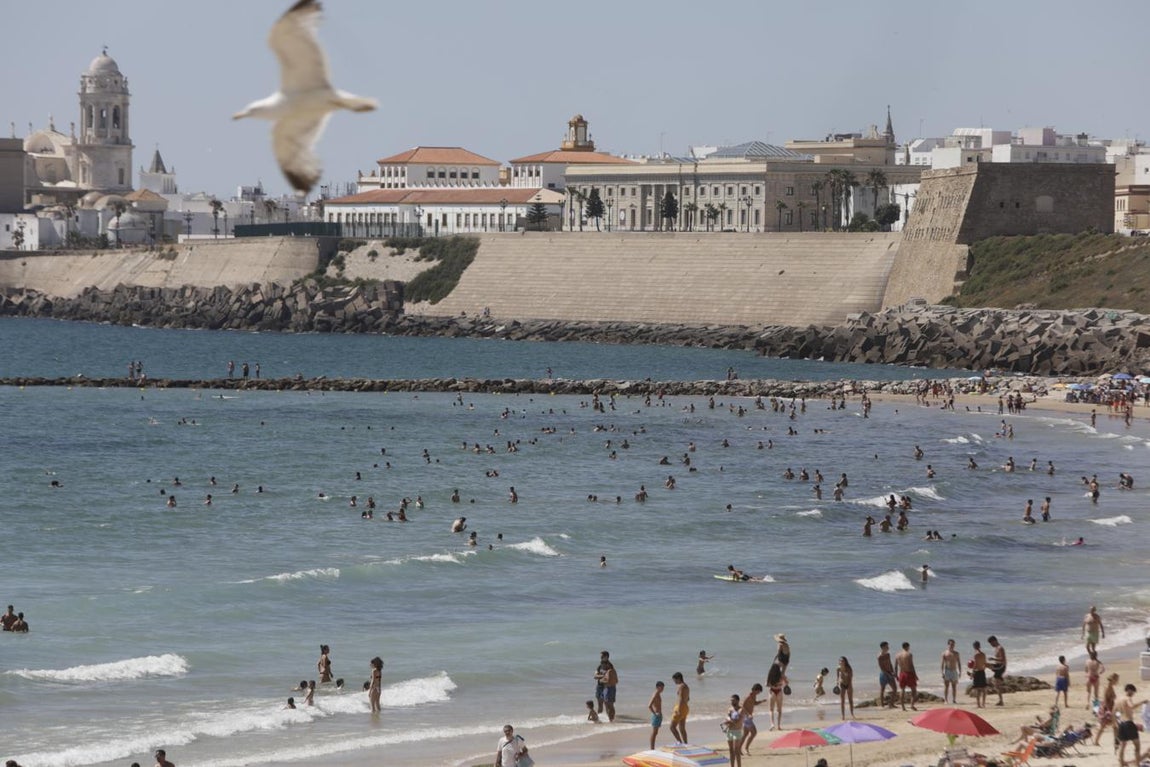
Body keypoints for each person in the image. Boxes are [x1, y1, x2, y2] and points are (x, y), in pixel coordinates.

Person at [1115, 684, 1147, 767]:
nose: (1133, 694)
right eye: (1133, 692)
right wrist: (1142, 702)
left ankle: (1121, 764)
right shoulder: (1127, 698)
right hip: (1129, 723)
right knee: (1137, 746)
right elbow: (1132, 706)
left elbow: (1113, 712)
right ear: (1129, 690)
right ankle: (1137, 765)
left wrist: (1115, 724)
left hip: (1121, 723)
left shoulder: (1118, 700)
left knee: (1122, 745)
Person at [1094, 672, 1120, 746]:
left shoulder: (1111, 687)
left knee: (1115, 725)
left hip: (1111, 708)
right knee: (1103, 726)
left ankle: (1116, 740)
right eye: (1116, 680)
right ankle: (1096, 741)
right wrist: (1109, 711)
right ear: (1113, 680)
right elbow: (1105, 700)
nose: (1117, 682)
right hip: (1107, 709)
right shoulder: (1107, 688)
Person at [738, 683, 763, 755]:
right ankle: (746, 748)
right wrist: (748, 714)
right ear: (755, 690)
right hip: (746, 717)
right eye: (759, 691)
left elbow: (754, 703)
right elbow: (742, 706)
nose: (759, 693)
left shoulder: (754, 696)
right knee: (754, 732)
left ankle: (739, 749)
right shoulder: (748, 697)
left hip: (748, 717)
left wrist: (761, 701)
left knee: (745, 734)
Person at [595, 651, 618, 722]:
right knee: (600, 704)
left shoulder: (610, 666)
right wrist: (603, 676)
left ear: (606, 657)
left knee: (608, 705)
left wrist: (601, 677)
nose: (600, 658)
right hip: (600, 686)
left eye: (602, 657)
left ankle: (611, 720)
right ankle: (598, 719)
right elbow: (595, 676)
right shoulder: (600, 665)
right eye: (600, 657)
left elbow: (612, 678)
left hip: (607, 687)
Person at [895, 642, 918, 710]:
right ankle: (911, 705)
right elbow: (911, 665)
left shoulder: (897, 655)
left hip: (902, 673)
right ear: (907, 647)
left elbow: (895, 666)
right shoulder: (909, 654)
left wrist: (896, 675)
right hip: (909, 673)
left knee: (902, 690)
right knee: (914, 690)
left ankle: (903, 707)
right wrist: (915, 675)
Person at [723, 694, 743, 767]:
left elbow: (737, 722)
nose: (731, 702)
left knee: (736, 751)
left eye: (733, 700)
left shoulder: (741, 710)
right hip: (730, 731)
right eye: (731, 700)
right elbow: (727, 718)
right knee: (731, 751)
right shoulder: (730, 709)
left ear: (737, 700)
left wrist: (728, 720)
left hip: (737, 731)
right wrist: (728, 721)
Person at [766, 662, 786, 730]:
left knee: (771, 710)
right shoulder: (781, 675)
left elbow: (767, 685)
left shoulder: (770, 675)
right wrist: (780, 684)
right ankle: (779, 726)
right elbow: (786, 682)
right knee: (779, 710)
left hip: (772, 692)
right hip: (779, 691)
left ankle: (772, 724)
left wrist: (773, 685)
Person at [941, 638, 961, 704]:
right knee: (946, 686)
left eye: (953, 644)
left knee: (954, 686)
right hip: (947, 670)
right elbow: (942, 663)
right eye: (951, 644)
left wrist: (960, 672)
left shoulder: (956, 653)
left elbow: (959, 663)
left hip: (954, 670)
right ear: (948, 644)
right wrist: (942, 672)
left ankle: (954, 700)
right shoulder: (944, 653)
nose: (952, 645)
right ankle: (946, 700)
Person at [988, 635, 1007, 706]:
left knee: (996, 683)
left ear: (994, 641)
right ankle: (1001, 700)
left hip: (1001, 666)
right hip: (998, 666)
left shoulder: (1000, 648)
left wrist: (993, 659)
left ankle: (1001, 701)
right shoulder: (996, 648)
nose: (991, 645)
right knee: (986, 665)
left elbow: (1003, 659)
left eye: (991, 643)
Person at [877, 641, 897, 708]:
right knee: (882, 689)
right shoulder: (879, 656)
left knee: (894, 689)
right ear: (882, 647)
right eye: (886, 646)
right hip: (883, 674)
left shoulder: (888, 654)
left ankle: (891, 704)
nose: (888, 648)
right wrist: (888, 674)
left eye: (888, 646)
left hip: (889, 672)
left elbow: (890, 664)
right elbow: (881, 667)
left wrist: (893, 672)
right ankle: (882, 705)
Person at [648, 681, 664, 749]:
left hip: (658, 715)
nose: (663, 689)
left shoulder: (658, 694)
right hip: (656, 716)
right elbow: (649, 705)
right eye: (661, 687)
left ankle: (652, 748)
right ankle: (652, 748)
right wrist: (655, 714)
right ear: (657, 687)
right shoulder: (655, 694)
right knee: (654, 733)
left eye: (663, 688)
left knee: (655, 733)